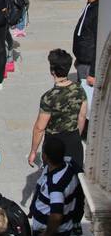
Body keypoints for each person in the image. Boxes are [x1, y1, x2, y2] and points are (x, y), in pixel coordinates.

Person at [28, 49, 87, 196]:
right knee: (75, 182)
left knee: (54, 184)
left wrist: (33, 151)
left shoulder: (49, 97)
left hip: (54, 144)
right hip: (74, 140)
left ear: (52, 71)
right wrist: (76, 136)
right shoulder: (79, 89)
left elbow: (39, 128)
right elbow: (82, 116)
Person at [73, 0, 100, 85]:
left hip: (89, 65)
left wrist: (92, 73)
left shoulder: (97, 11)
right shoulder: (90, 5)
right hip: (82, 61)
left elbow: (98, 42)